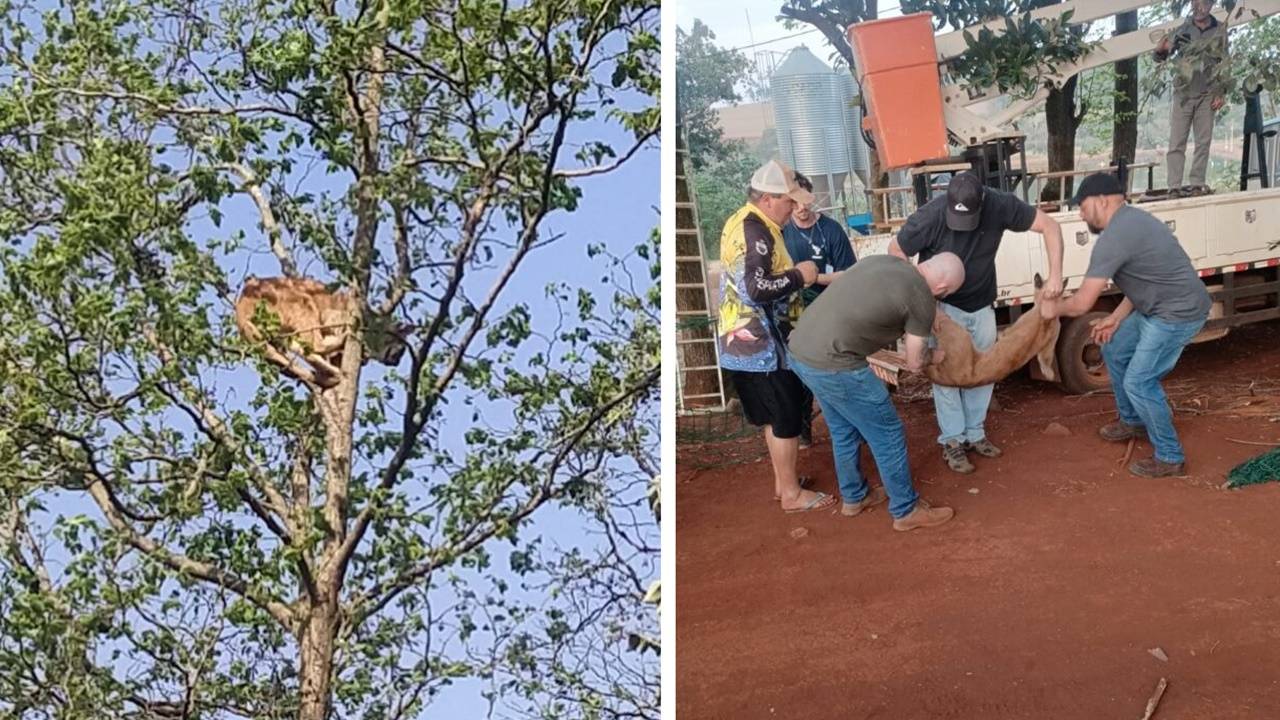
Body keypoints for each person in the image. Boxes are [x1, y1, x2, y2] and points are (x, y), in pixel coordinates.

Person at [890, 172, 1065, 474]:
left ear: (982, 201)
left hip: (982, 302)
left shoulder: (1000, 205)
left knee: (985, 371)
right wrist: (923, 296)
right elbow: (896, 251)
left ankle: (975, 434)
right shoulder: (930, 215)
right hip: (943, 307)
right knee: (947, 375)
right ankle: (953, 441)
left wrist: (1056, 273)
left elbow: (1049, 226)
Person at [1046, 173, 1211, 478]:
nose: (1080, 214)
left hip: (1176, 313)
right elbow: (1146, 280)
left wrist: (1050, 308)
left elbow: (1082, 304)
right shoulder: (1132, 222)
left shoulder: (1116, 236)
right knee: (1115, 346)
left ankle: (1170, 456)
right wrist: (1116, 317)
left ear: (1102, 200)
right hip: (1157, 306)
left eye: (1082, 206)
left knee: (1140, 381)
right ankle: (1132, 420)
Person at [787, 252, 967, 531]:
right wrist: (936, 356)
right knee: (888, 433)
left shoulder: (886, 261)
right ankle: (906, 509)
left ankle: (855, 497)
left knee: (843, 429)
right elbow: (914, 362)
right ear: (942, 289)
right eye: (945, 295)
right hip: (836, 363)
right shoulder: (921, 296)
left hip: (800, 352)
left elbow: (846, 280)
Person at [716, 159, 831, 513]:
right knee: (784, 418)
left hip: (744, 343)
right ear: (767, 199)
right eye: (788, 201)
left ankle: (785, 485)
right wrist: (801, 275)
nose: (794, 208)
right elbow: (757, 287)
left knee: (773, 416)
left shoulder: (742, 222)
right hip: (763, 345)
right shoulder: (757, 232)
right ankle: (793, 497)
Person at [782, 171, 858, 448]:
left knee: (837, 365)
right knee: (798, 369)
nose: (802, 209)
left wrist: (811, 277)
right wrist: (798, 280)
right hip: (792, 309)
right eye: (795, 203)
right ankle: (803, 428)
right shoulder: (780, 231)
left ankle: (850, 424)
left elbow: (847, 274)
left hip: (829, 308)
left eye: (806, 202)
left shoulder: (831, 230)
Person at [1155, 0, 1228, 195]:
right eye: (1195, 3)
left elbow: (1225, 61)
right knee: (1176, 142)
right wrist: (1160, 50)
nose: (1198, 8)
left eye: (1203, 3)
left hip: (1207, 93)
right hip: (1183, 92)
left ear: (1211, 4)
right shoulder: (1181, 30)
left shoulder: (1220, 29)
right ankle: (1174, 187)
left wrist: (1221, 92)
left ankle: (1197, 184)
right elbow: (1162, 56)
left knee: (1203, 142)